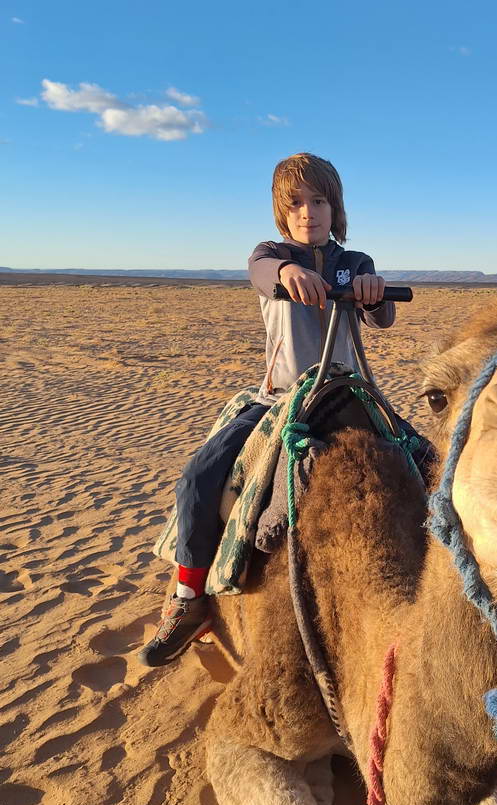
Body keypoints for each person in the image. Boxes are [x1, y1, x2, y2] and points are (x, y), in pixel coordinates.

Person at [137, 153, 395, 667]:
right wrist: (287, 273)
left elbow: (382, 316)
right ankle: (190, 598)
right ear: (283, 212)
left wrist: (372, 293)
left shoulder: (356, 262)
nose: (308, 212)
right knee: (201, 475)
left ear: (334, 206)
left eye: (318, 200)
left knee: (427, 466)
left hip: (348, 393)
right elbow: (262, 273)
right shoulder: (270, 254)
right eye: (295, 203)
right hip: (282, 397)